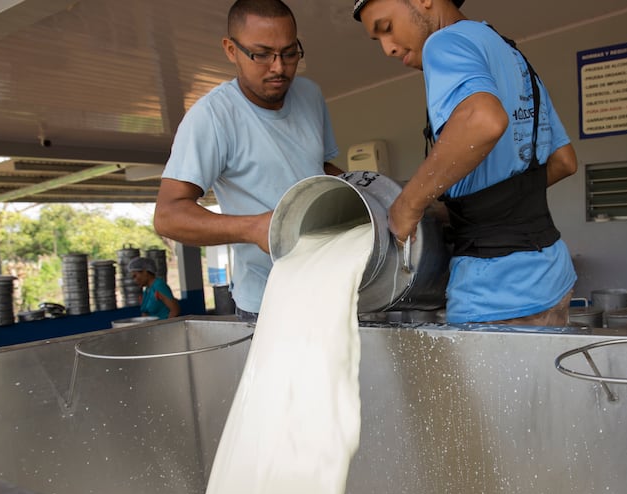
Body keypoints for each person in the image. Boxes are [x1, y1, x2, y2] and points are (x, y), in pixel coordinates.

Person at [353, 0, 578, 326]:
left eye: (386, 28)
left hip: (493, 291)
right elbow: (563, 161)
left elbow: (483, 120)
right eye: (377, 41)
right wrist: (463, 208)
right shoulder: (511, 56)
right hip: (552, 276)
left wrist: (408, 205)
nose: (387, 48)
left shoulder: (443, 43)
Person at [154, 0, 341, 322]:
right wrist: (254, 227)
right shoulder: (212, 116)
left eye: (289, 52)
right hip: (268, 304)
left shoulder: (309, 94)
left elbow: (318, 168)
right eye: (262, 54)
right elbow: (168, 216)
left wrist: (368, 193)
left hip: (330, 288)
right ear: (231, 50)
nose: (279, 68)